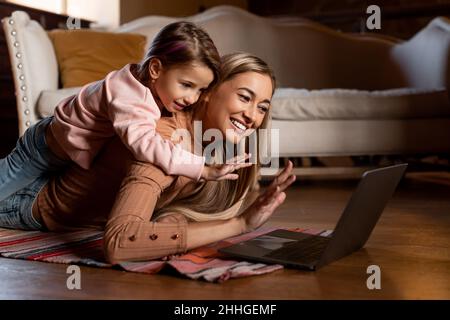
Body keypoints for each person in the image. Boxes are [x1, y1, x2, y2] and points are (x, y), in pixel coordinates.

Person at [0, 53, 296, 264]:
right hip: (28, 203)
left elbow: (174, 205)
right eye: (245, 98)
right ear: (208, 92)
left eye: (262, 107)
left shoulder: (207, 142)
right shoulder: (164, 143)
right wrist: (241, 224)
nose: (253, 116)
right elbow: (119, 243)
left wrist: (170, 220)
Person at [0, 21, 244, 203]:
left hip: (66, 152)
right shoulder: (129, 97)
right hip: (40, 150)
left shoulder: (148, 82)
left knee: (25, 195)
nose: (192, 98)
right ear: (156, 68)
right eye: (187, 85)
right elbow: (147, 145)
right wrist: (203, 169)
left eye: (200, 90)